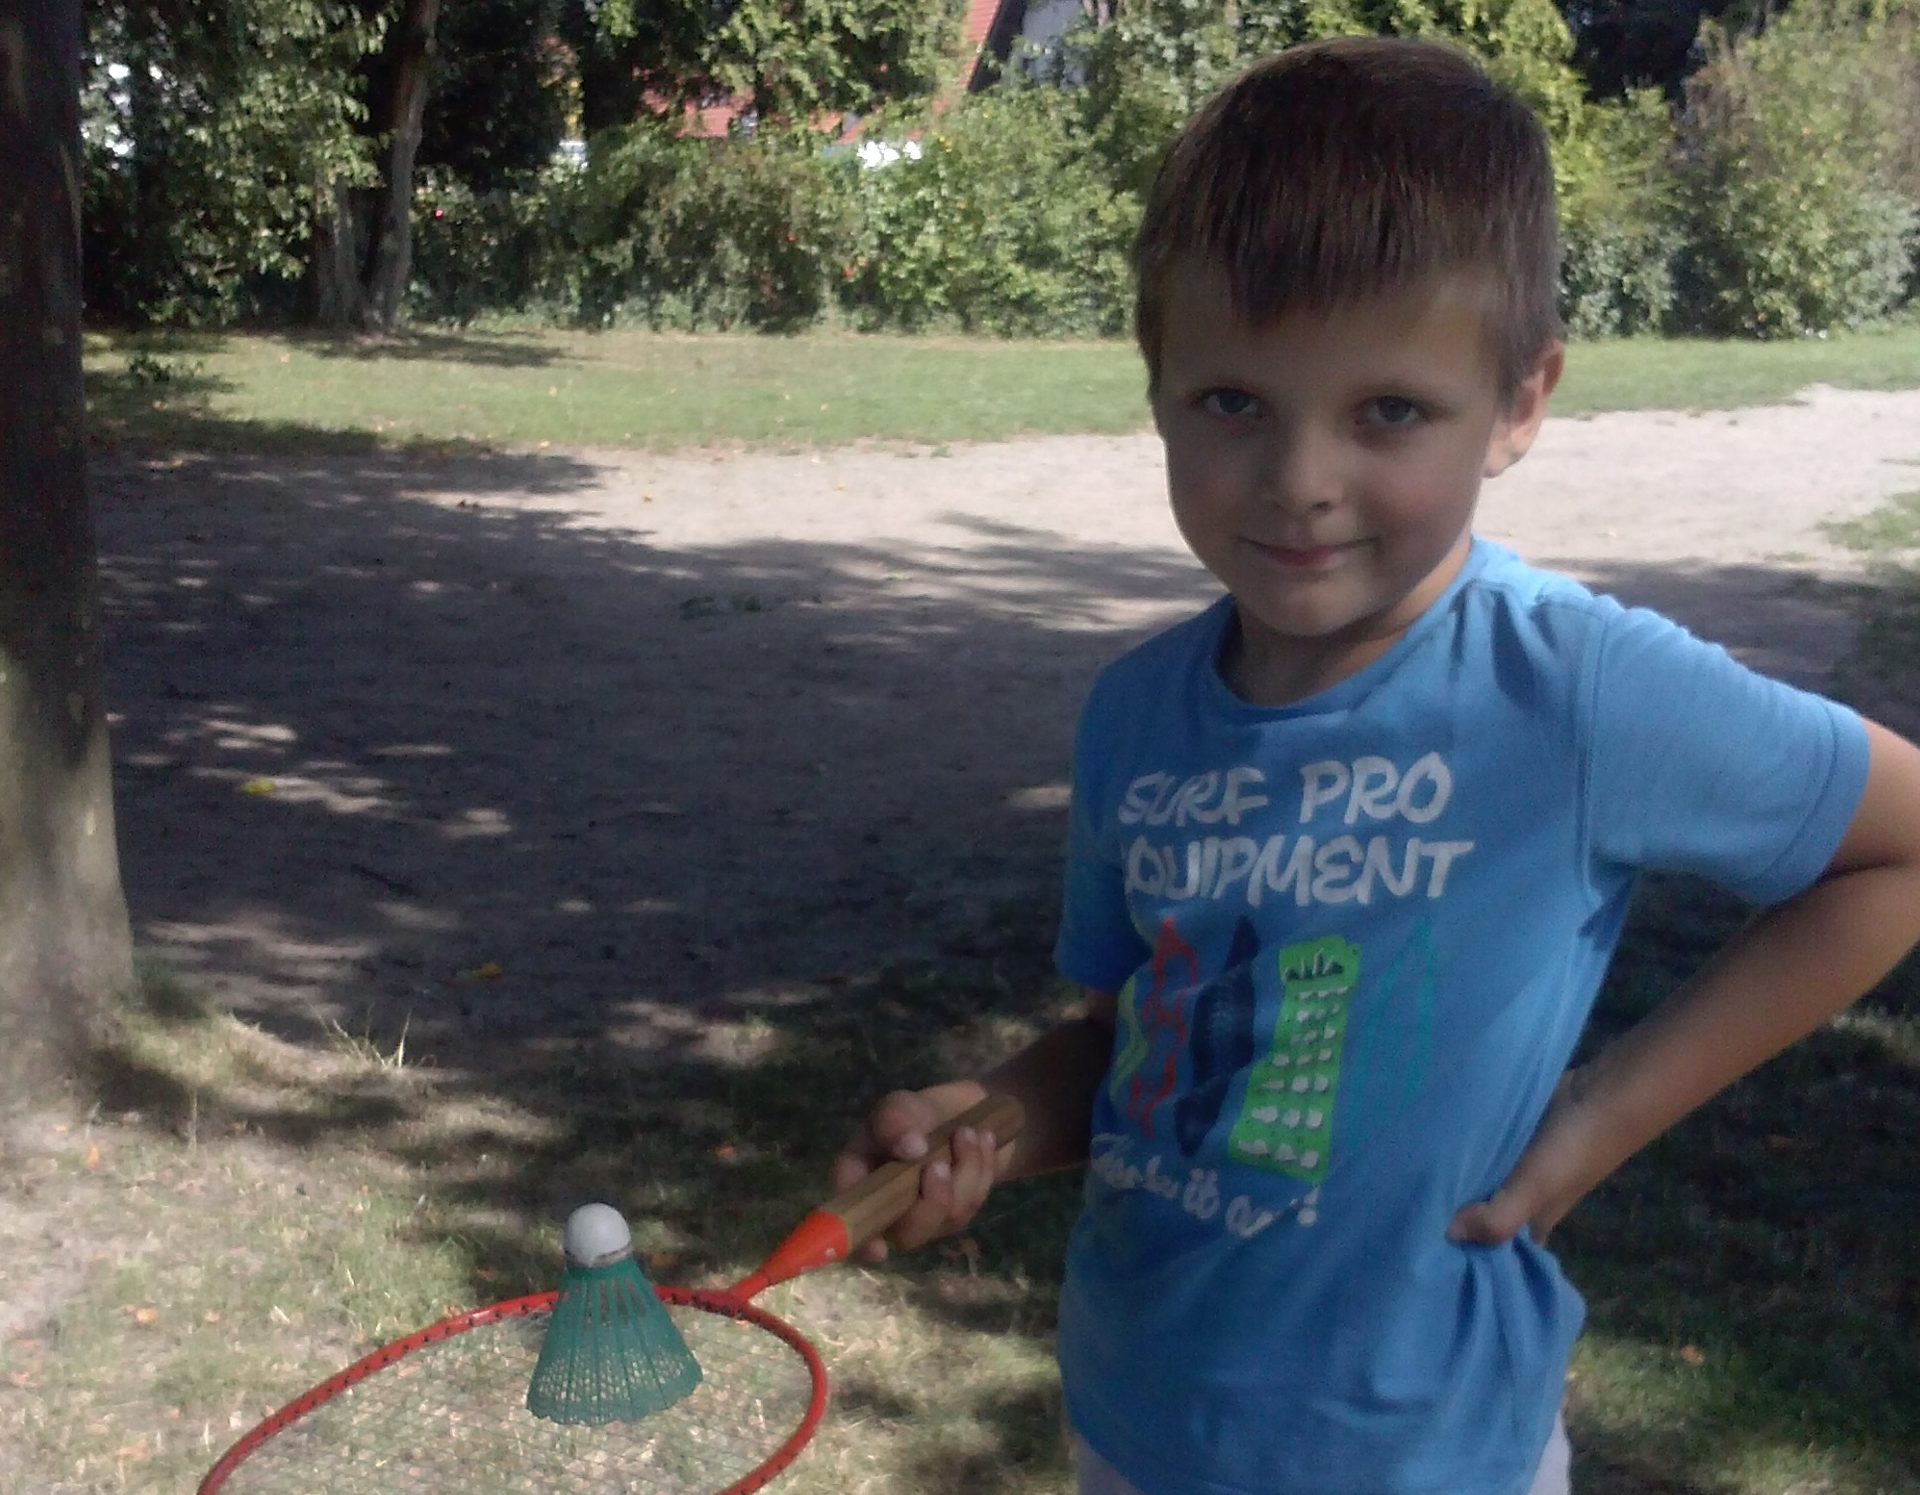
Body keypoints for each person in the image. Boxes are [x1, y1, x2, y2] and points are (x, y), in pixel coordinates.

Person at [830, 35, 1920, 1495]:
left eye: (1388, 411)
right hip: (1135, 1421)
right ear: (1158, 386)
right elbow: (1134, 1041)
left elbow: (1900, 848)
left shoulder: (1572, 687)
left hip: (1424, 1455)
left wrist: (1593, 1124)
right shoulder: (1135, 715)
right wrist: (983, 1129)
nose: (1300, 483)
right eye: (1233, 403)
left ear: (1520, 403)